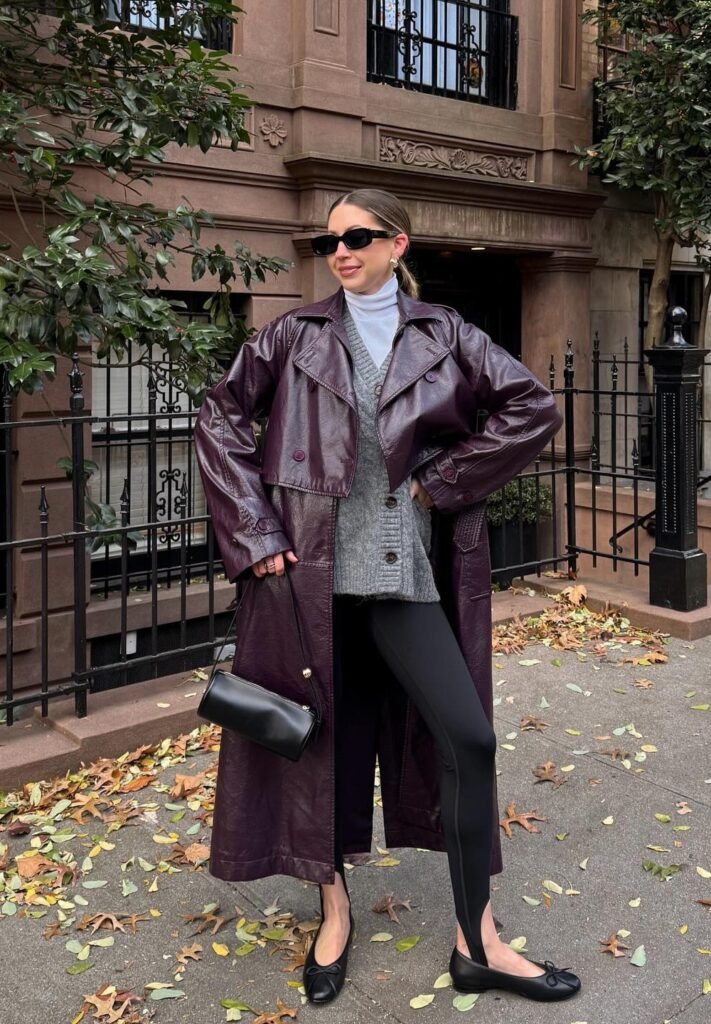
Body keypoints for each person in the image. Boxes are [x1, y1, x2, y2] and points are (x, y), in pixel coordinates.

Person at [193, 189, 581, 1006]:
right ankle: (333, 910)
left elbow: (531, 407)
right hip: (306, 582)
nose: (341, 251)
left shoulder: (445, 333)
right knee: (320, 748)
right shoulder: (290, 335)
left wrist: (440, 481)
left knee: (467, 741)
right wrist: (255, 533)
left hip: (401, 578)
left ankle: (478, 940)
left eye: (358, 237)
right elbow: (220, 419)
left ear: (396, 244)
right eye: (329, 239)